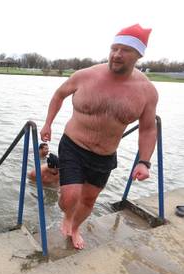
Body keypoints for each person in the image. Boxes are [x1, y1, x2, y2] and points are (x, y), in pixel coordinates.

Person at [40, 24, 158, 249]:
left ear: (139, 54)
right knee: (69, 197)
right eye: (114, 48)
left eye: (125, 50)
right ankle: (67, 216)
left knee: (89, 199)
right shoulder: (85, 76)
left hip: (104, 155)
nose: (117, 54)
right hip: (74, 144)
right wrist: (48, 123)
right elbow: (59, 95)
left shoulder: (147, 91)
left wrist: (144, 162)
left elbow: (148, 128)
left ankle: (74, 228)